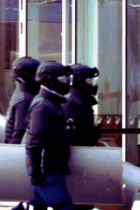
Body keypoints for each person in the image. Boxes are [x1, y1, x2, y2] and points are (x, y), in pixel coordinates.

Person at [25, 61, 74, 210]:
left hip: (51, 167)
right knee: (64, 207)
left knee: (35, 206)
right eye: (62, 79)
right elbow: (34, 142)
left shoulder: (51, 103)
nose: (66, 83)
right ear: (49, 79)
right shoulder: (43, 106)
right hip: (48, 169)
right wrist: (35, 170)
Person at [5, 57, 45, 210]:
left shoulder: (20, 93)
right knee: (32, 200)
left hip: (20, 152)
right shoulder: (25, 99)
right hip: (22, 153)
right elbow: (19, 131)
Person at [64, 64, 100, 210]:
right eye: (89, 80)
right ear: (78, 80)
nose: (92, 84)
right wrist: (93, 133)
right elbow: (76, 135)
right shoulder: (73, 102)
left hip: (81, 160)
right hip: (76, 161)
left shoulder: (78, 100)